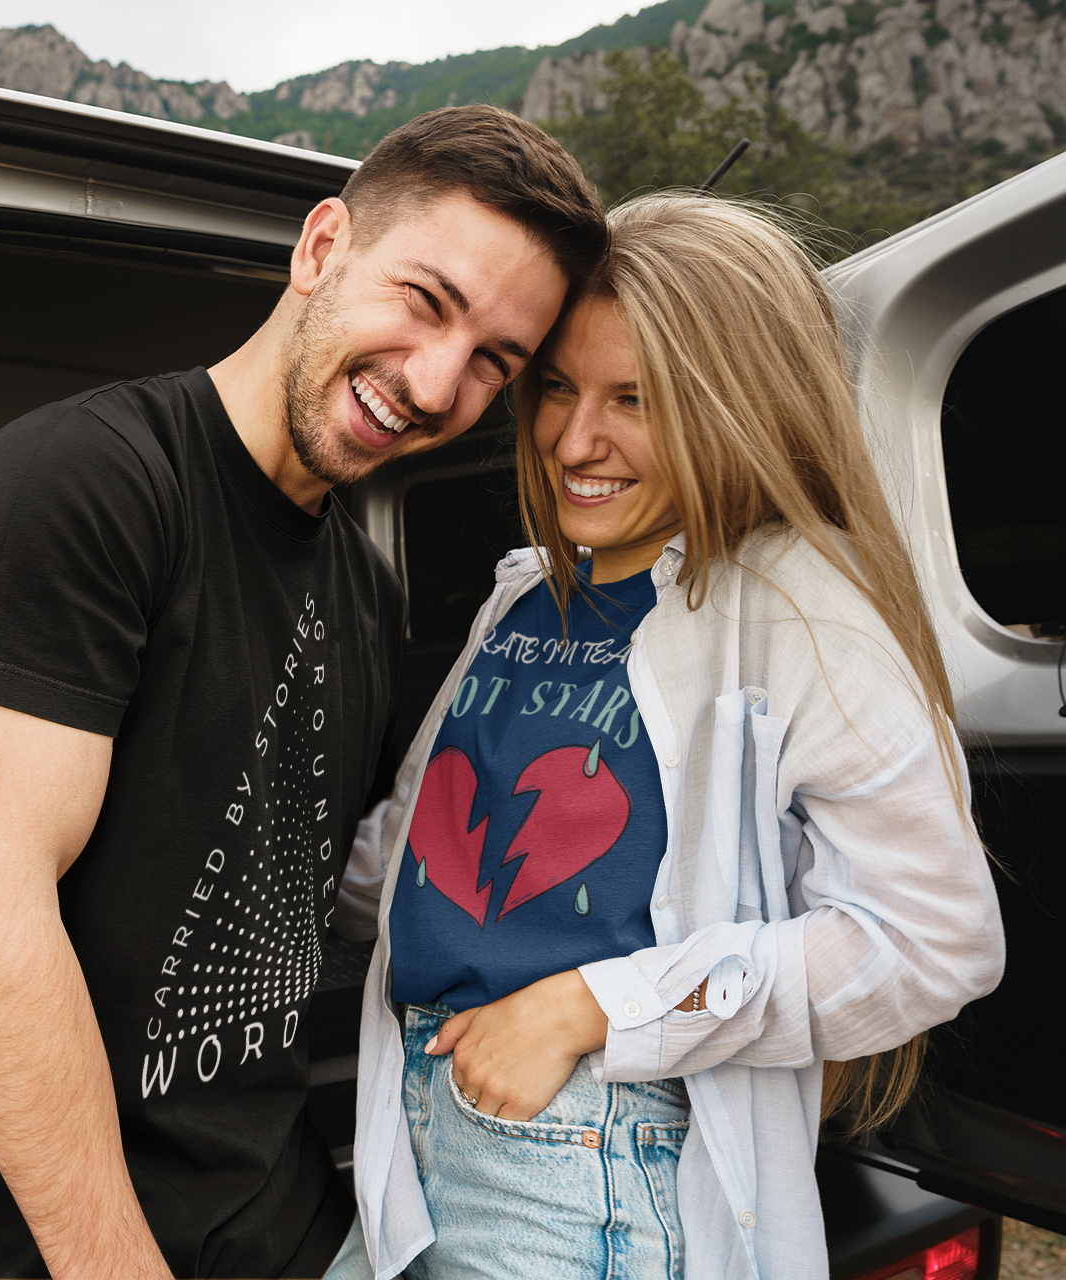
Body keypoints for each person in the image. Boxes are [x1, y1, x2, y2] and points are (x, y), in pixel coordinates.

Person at [0, 105, 607, 1279]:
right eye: (425, 300)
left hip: (287, 1229)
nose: (431, 382)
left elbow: (332, 886)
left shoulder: (364, 590)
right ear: (321, 248)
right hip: (41, 1248)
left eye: (492, 365)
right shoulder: (79, 486)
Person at [328, 193, 1006, 1280]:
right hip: (407, 1133)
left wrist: (591, 1004)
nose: (573, 438)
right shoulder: (523, 598)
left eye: (635, 400)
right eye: (558, 387)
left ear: (739, 405)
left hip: (588, 1165)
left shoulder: (796, 604)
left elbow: (936, 939)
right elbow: (403, 855)